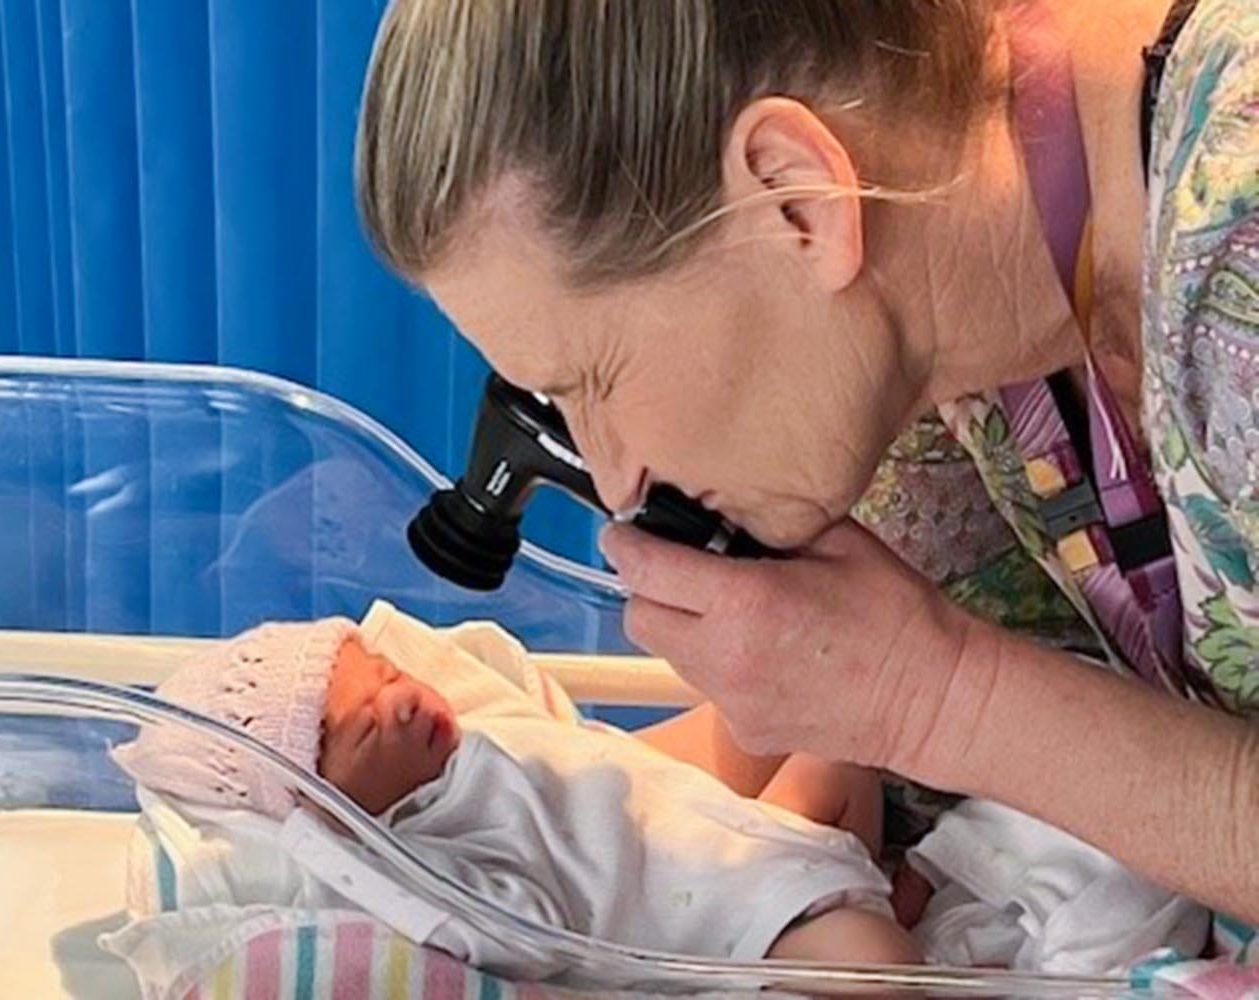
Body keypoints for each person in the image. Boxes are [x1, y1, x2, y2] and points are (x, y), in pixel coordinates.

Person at [354, 0, 1259, 927]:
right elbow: (772, 769)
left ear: (796, 198)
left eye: (592, 382)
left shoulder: (1237, 222)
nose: (616, 480)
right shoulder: (946, 352)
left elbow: (951, 702)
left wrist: (938, 702)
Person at [115, 603, 920, 976]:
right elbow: (528, 934)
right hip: (724, 934)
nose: (400, 701)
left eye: (388, 676)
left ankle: (859, 879)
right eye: (363, 730)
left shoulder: (475, 740)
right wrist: (338, 859)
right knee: (873, 963)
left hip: (736, 829)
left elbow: (609, 761)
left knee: (836, 745)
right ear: (329, 817)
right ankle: (865, 909)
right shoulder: (424, 863)